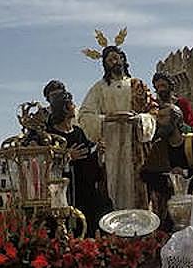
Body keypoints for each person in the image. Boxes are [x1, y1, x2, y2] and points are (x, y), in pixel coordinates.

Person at [78, 40, 157, 211]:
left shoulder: (138, 85)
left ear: (123, 59)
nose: (114, 62)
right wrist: (106, 119)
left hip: (134, 142)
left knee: (136, 183)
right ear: (105, 64)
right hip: (111, 144)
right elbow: (84, 114)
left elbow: (153, 112)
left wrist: (139, 119)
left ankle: (140, 230)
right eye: (110, 60)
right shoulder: (99, 88)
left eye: (116, 58)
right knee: (113, 183)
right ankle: (113, 229)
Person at [45, 86, 111, 235]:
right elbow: (46, 163)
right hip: (62, 192)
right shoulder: (51, 135)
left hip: (83, 188)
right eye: (71, 104)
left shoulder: (78, 132)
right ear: (64, 109)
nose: (74, 106)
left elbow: (88, 155)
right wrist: (67, 157)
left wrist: (98, 154)